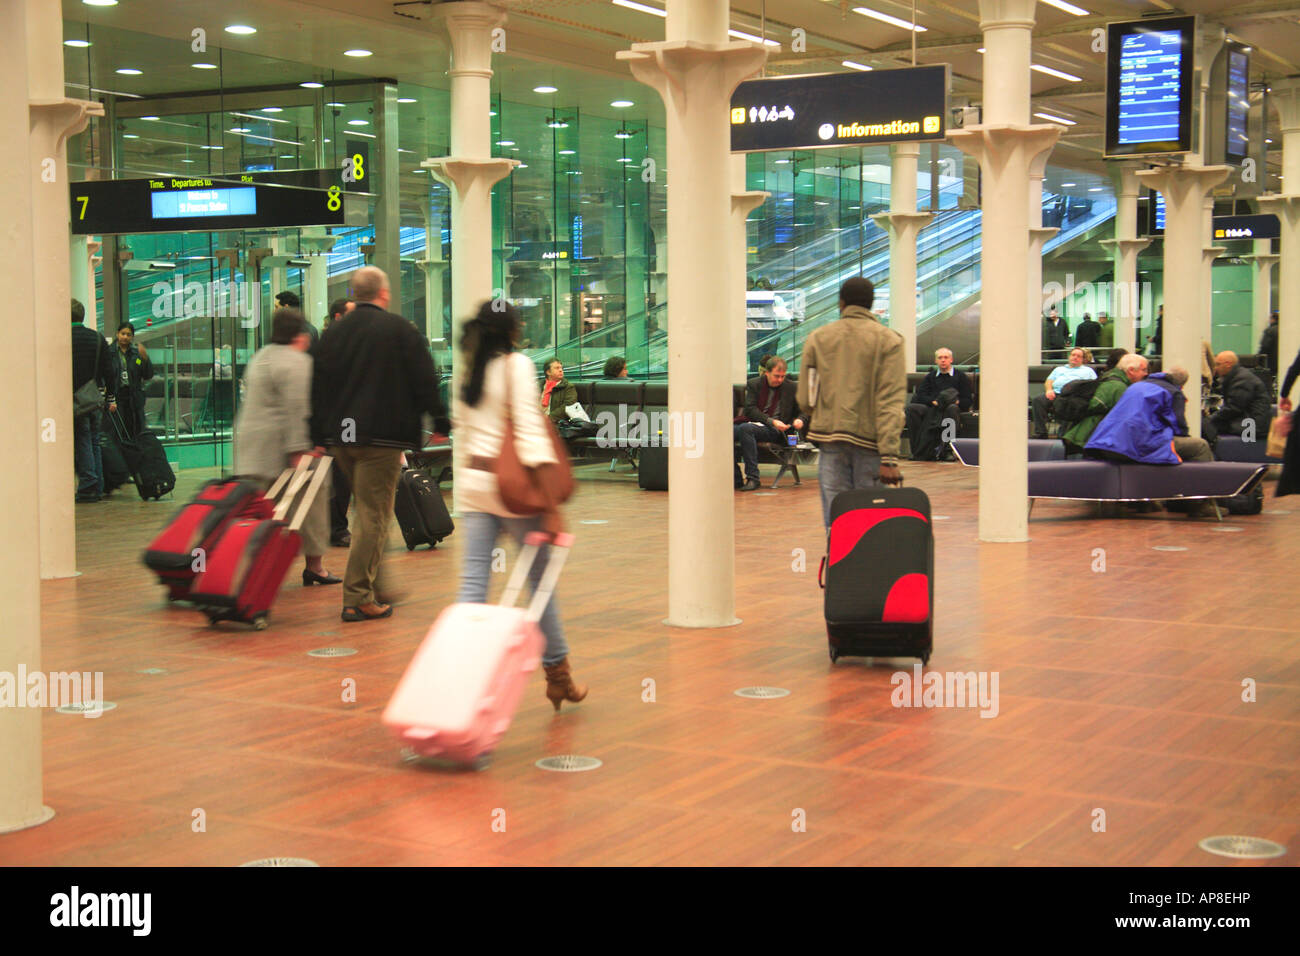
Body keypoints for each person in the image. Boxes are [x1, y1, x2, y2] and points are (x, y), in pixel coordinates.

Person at [454, 300, 586, 712]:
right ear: (511, 331)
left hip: (474, 485)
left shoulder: (469, 370)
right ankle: (557, 675)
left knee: (475, 579)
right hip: (513, 489)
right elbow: (530, 434)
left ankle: (462, 674)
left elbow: (460, 426)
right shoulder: (518, 366)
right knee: (539, 585)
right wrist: (549, 504)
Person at [311, 266, 449, 622]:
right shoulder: (400, 330)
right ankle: (357, 598)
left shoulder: (334, 334)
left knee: (368, 511)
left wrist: (315, 433)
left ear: (354, 293)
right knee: (373, 514)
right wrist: (441, 420)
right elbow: (424, 380)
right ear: (384, 294)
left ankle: (377, 585)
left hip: (343, 437)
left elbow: (317, 387)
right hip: (382, 437)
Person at [233, 308, 340, 587]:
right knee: (314, 498)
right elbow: (297, 409)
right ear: (300, 334)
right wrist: (299, 448)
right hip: (281, 448)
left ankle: (247, 564)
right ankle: (315, 567)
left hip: (252, 449)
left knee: (259, 511)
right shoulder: (297, 362)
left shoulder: (260, 356)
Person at [796, 277, 905, 529]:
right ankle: (869, 568)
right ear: (870, 304)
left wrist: (824, 411)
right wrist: (889, 457)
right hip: (871, 445)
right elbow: (890, 402)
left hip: (831, 442)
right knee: (870, 524)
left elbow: (805, 397)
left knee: (838, 522)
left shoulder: (818, 338)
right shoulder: (890, 341)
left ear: (841, 303)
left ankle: (839, 566)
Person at [1085, 367, 1213, 466]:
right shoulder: (1174, 392)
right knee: (1199, 446)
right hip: (1133, 445)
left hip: (1104, 442)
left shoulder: (1136, 386)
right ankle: (1201, 497)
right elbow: (1178, 426)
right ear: (1182, 386)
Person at [71, 299, 117, 503]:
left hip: (75, 398)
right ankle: (97, 487)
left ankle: (88, 484)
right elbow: (110, 371)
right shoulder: (97, 338)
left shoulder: (65, 338)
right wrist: (110, 397)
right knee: (94, 440)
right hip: (95, 397)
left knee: (82, 439)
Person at [735, 355, 803, 491]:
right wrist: (771, 421)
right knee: (725, 432)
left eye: (782, 376)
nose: (780, 380)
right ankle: (736, 479)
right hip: (761, 423)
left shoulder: (791, 387)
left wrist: (799, 420)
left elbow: (802, 411)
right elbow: (750, 410)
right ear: (767, 373)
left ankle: (753, 478)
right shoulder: (754, 384)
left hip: (777, 431)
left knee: (745, 429)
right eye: (776, 376)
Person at [1062, 353, 1148, 453]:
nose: (1146, 374)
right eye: (1144, 370)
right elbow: (1129, 418)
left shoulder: (1109, 378)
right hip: (1086, 440)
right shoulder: (1118, 387)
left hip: (1080, 438)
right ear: (1131, 370)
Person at [903, 347, 972, 461]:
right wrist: (933, 402)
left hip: (951, 408)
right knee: (912, 409)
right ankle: (917, 450)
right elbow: (921, 395)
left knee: (952, 409)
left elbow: (967, 399)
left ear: (951, 360)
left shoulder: (960, 377)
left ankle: (947, 450)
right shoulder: (931, 376)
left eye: (946, 357)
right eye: (940, 358)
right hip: (933, 407)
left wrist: (955, 401)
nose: (943, 360)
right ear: (936, 361)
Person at [324, 297, 355, 547]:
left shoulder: (346, 343)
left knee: (342, 477)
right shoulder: (331, 344)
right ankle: (336, 528)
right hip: (336, 423)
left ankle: (335, 527)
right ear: (338, 317)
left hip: (346, 422)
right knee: (339, 477)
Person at [1032, 347, 1097, 438]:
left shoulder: (1088, 371)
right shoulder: (1059, 369)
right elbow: (1049, 381)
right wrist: (1049, 390)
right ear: (1069, 356)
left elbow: (1093, 386)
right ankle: (1041, 432)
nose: (1075, 357)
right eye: (1073, 355)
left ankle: (1063, 434)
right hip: (1056, 393)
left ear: (1083, 359)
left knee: (1068, 404)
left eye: (1078, 356)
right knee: (1038, 400)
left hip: (1074, 396)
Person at [1210, 350, 1271, 437]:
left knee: (1210, 426)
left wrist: (1211, 418)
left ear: (1228, 364)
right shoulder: (1237, 376)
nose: (1216, 368)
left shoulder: (1242, 380)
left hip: (1253, 426)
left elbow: (1233, 408)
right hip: (1251, 422)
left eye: (1218, 364)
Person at [110, 322, 154, 438]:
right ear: (117, 334)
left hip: (133, 397)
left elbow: (148, 375)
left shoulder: (136, 354)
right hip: (116, 396)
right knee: (117, 430)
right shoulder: (110, 352)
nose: (125, 337)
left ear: (132, 337)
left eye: (128, 335)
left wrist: (145, 359)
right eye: (123, 334)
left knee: (134, 429)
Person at [540, 358, 577, 423]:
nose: (560, 370)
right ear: (548, 372)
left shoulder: (568, 387)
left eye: (561, 368)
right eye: (557, 368)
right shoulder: (539, 386)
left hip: (555, 423)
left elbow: (567, 407)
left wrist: (548, 418)